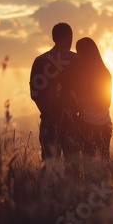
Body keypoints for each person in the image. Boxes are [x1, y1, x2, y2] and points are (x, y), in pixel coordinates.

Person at [30, 23, 78, 161]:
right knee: (73, 166)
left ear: (53, 38)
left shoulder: (40, 61)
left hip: (48, 121)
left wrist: (48, 112)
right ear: (69, 37)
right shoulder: (77, 60)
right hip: (72, 122)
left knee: (50, 168)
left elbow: (34, 93)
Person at [71, 37, 112, 158]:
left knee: (89, 165)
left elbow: (76, 104)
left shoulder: (80, 75)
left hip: (86, 125)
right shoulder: (105, 73)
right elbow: (107, 103)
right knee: (104, 163)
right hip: (105, 125)